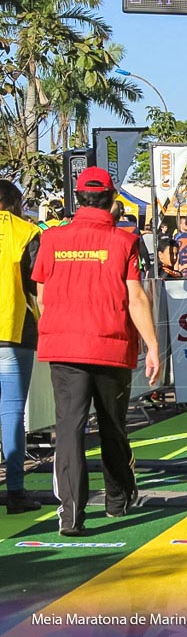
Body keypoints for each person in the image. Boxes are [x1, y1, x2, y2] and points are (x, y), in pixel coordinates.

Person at [31, 167, 160, 535]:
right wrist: (152, 346)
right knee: (112, 425)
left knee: (69, 429)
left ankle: (71, 514)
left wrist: (60, 325)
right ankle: (117, 499)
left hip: (65, 345)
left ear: (77, 198)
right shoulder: (123, 241)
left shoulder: (53, 239)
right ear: (111, 199)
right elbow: (135, 296)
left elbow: (41, 295)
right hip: (111, 344)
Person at [0, 179, 43, 514]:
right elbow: (37, 283)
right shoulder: (27, 232)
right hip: (15, 329)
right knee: (12, 412)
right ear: (15, 203)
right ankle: (15, 492)